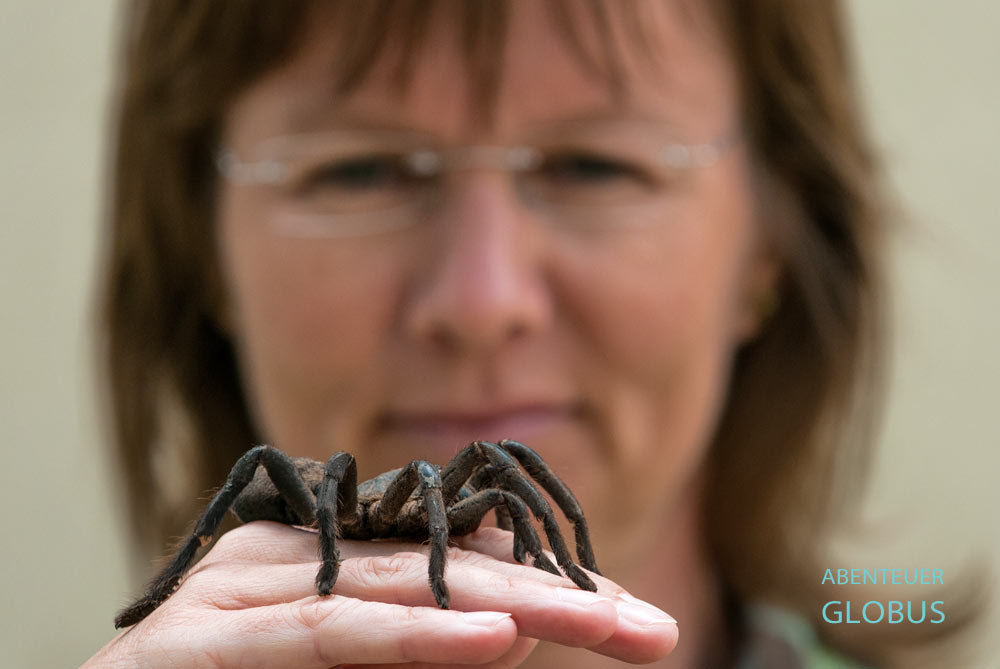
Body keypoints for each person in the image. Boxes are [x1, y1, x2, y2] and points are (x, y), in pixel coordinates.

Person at [83, 1, 969, 667]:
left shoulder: (469, 479)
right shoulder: (321, 487)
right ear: (200, 249)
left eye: (596, 164)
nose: (481, 301)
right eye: (357, 170)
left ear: (771, 246)